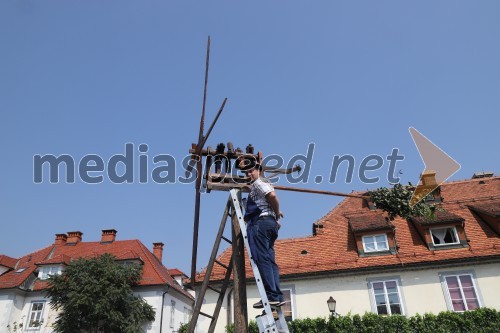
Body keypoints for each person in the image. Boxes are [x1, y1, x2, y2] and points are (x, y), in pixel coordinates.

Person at [241, 160, 285, 309]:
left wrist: (277, 214)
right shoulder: (259, 184)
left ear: (258, 169)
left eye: (251, 171)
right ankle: (277, 296)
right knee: (270, 261)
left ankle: (271, 296)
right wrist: (275, 215)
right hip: (269, 224)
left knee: (262, 259)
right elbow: (269, 201)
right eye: (246, 172)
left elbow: (272, 196)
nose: (248, 174)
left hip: (261, 224)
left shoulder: (259, 183)